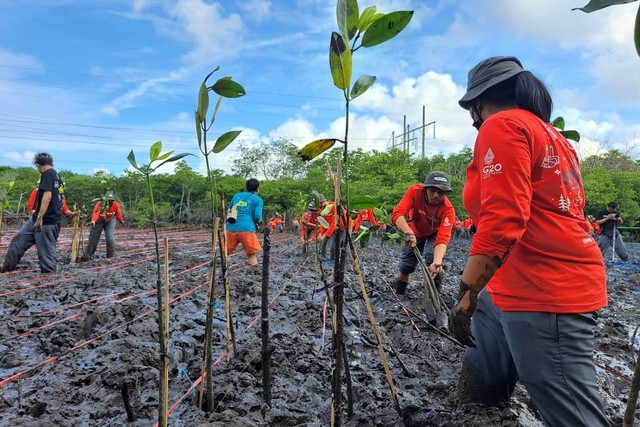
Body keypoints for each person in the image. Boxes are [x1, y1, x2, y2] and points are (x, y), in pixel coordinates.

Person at [450, 56, 609, 427]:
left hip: (544, 289)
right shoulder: (554, 136)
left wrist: (465, 294)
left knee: (570, 408)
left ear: (479, 103)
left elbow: (503, 220)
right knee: (482, 363)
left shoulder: (501, 123)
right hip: (513, 280)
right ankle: (482, 405)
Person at [391, 171, 455, 296]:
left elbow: (443, 237)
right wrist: (408, 232)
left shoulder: (448, 210)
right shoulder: (415, 191)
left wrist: (437, 261)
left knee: (433, 261)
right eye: (432, 190)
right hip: (414, 231)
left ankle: (433, 295)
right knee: (406, 265)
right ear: (425, 188)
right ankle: (400, 293)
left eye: (441, 192)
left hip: (434, 233)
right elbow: (398, 213)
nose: (436, 195)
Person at [1, 152, 63, 273]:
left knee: (46, 253)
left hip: (46, 221)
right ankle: (7, 268)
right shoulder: (56, 175)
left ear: (38, 165)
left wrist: (40, 218)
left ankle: (49, 279)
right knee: (18, 241)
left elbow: (47, 196)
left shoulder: (47, 174)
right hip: (38, 219)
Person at [226, 178, 264, 266]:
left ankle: (223, 272)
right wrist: (260, 225)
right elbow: (258, 217)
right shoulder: (258, 200)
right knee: (251, 254)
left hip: (231, 227)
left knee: (225, 252)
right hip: (247, 229)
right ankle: (254, 269)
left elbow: (229, 209)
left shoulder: (236, 196)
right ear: (257, 188)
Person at [80, 191, 125, 261]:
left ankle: (110, 256)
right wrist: (93, 221)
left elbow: (118, 213)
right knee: (93, 239)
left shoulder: (115, 205)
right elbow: (96, 213)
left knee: (110, 239)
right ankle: (88, 255)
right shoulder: (99, 204)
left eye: (111, 201)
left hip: (110, 220)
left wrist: (121, 220)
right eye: (108, 201)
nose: (110, 202)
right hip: (98, 221)